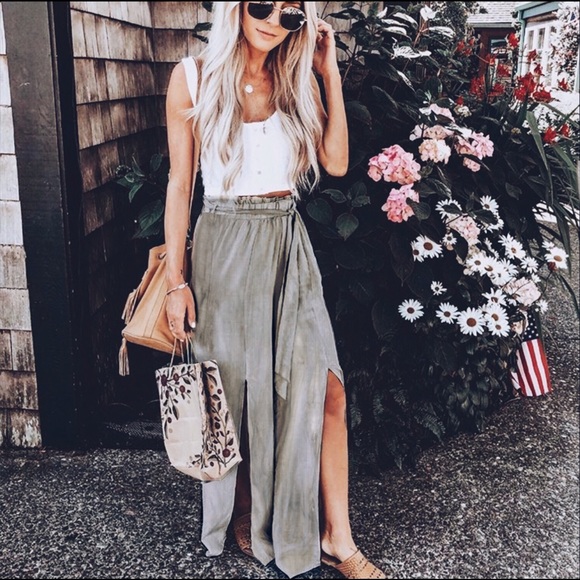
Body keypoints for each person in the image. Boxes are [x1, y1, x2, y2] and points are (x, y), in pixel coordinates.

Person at [163, 2, 387, 578]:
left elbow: (336, 163)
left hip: (287, 244)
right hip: (222, 247)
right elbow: (180, 184)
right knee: (235, 394)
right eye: (261, 5)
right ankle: (245, 511)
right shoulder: (192, 78)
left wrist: (327, 73)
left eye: (290, 13)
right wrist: (175, 281)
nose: (271, 20)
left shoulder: (296, 83)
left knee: (327, 388)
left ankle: (338, 538)